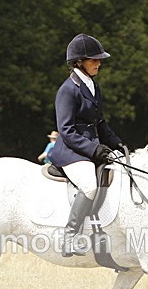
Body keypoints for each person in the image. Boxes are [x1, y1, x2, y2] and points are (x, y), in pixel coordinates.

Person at [47, 33, 125, 257]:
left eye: (99, 59)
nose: (99, 63)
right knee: (90, 184)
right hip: (70, 151)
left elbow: (99, 122)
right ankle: (70, 236)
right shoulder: (68, 90)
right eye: (94, 60)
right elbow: (67, 130)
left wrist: (117, 143)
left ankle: (101, 231)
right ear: (79, 61)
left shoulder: (93, 86)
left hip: (90, 148)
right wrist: (94, 149)